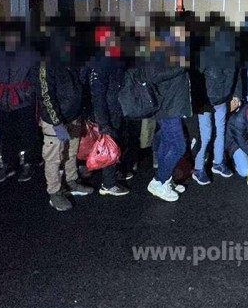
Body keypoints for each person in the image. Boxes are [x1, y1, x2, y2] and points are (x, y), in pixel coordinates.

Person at [35, 24, 94, 211]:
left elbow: (79, 88)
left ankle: (72, 181)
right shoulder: (47, 64)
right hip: (56, 121)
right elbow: (46, 96)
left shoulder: (71, 61)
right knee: (53, 156)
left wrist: (81, 113)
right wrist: (56, 122)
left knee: (71, 151)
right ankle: (54, 191)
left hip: (73, 116)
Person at [140, 19, 193, 202]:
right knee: (178, 145)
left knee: (167, 143)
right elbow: (153, 75)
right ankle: (159, 181)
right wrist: (180, 66)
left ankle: (165, 178)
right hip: (166, 107)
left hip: (172, 106)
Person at [0, 22, 40, 184]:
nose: (10, 38)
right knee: (5, 134)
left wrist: (31, 93)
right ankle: (9, 164)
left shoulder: (29, 53)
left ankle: (28, 163)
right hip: (1, 99)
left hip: (22, 99)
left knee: (27, 133)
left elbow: (35, 76)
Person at [191, 20, 242, 185]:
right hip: (206, 102)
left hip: (221, 100)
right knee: (206, 136)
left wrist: (235, 95)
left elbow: (236, 76)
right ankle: (198, 168)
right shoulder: (205, 54)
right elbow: (196, 78)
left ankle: (218, 163)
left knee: (220, 132)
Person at [87, 25, 130, 196]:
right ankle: (108, 183)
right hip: (108, 111)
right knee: (108, 145)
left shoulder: (112, 57)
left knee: (115, 143)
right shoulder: (101, 61)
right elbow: (97, 94)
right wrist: (103, 122)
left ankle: (113, 174)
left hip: (115, 109)